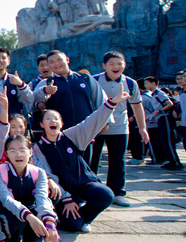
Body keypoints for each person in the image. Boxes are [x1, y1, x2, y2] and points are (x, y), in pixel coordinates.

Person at [33, 83, 129, 233]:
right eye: (48, 118)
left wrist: (112, 103)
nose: (53, 121)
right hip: (62, 191)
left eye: (56, 119)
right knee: (72, 226)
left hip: (84, 184)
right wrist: (67, 198)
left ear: (61, 123)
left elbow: (92, 121)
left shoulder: (71, 136)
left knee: (106, 195)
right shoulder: (38, 148)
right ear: (41, 124)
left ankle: (85, 218)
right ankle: (72, 218)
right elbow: (46, 174)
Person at [89, 52, 148, 207]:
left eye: (119, 63)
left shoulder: (130, 83)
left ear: (124, 65)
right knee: (92, 159)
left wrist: (142, 128)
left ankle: (117, 192)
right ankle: (91, 190)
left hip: (120, 127)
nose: (116, 67)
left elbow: (137, 105)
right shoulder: (94, 80)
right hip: (97, 126)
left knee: (118, 160)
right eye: (111, 64)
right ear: (104, 66)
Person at [0, 135, 58, 242]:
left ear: (30, 152)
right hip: (11, 212)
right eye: (13, 151)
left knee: (41, 210)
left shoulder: (39, 173)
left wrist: (49, 223)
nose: (18, 155)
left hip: (30, 210)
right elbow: (6, 199)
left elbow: (42, 198)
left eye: (22, 150)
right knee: (9, 214)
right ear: (7, 154)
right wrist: (28, 216)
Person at [0, 48, 33, 145]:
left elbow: (29, 99)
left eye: (3, 58)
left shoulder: (14, 80)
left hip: (14, 128)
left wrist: (21, 84)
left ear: (8, 62)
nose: (0, 60)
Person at [143, 76, 182, 170]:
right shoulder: (153, 94)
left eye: (147, 83)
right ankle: (170, 161)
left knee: (168, 141)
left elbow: (169, 104)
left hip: (166, 117)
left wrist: (159, 111)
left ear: (153, 83)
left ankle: (175, 162)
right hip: (160, 118)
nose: (145, 85)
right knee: (164, 141)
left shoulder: (159, 93)